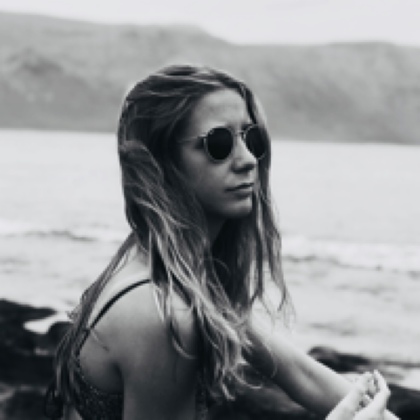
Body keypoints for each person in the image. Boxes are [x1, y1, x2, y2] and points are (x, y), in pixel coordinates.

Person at [45, 64, 397, 420]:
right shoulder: (163, 314)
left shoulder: (179, 271)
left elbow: (299, 373)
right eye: (219, 143)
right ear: (162, 163)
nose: (248, 160)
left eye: (251, 138)